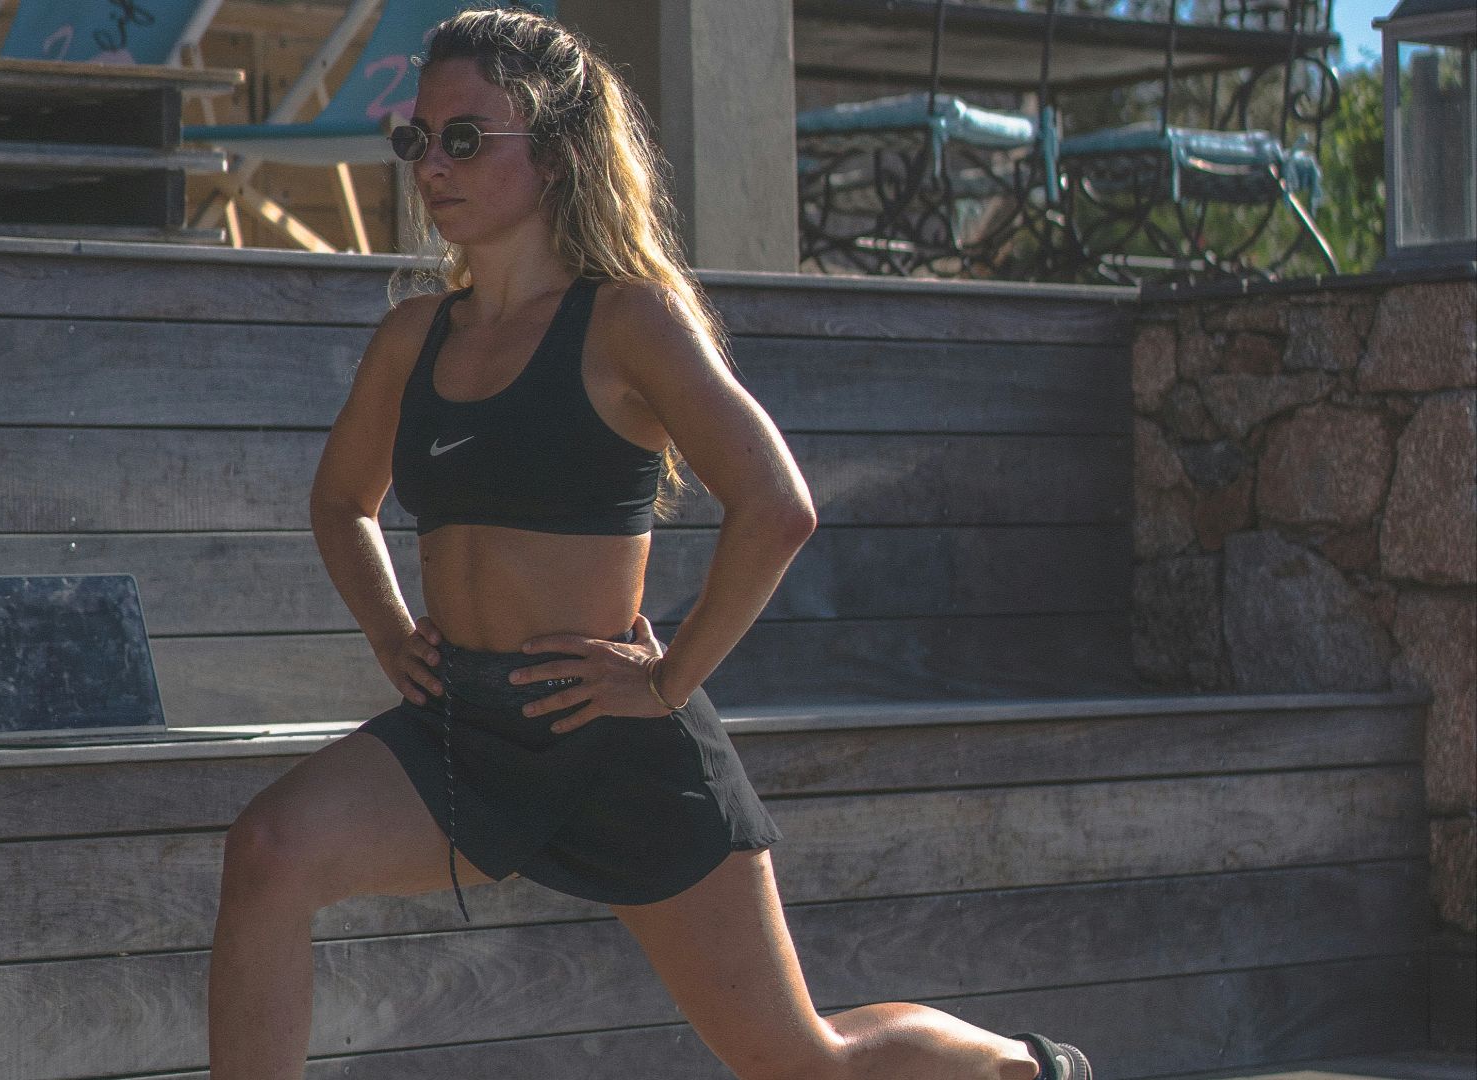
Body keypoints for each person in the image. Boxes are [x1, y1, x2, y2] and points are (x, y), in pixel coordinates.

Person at [205, 8, 1093, 1080]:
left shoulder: (629, 322)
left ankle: (1027, 1069)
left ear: (557, 150)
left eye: (465, 138)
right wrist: (392, 631)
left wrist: (671, 680)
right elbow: (341, 503)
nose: (432, 165)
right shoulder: (411, 338)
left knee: (798, 1061)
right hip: (464, 731)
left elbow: (778, 506)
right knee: (266, 853)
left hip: (615, 740)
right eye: (418, 139)